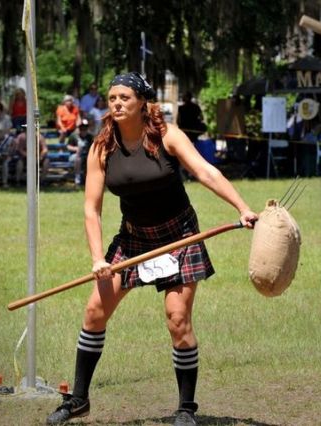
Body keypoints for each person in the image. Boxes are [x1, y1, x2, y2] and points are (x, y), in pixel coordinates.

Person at [46, 72, 258, 426]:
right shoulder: (101, 147)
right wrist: (98, 258)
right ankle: (79, 400)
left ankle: (186, 408)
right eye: (112, 98)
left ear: (143, 101)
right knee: (95, 312)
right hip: (133, 239)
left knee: (177, 319)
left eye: (124, 97)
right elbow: (91, 209)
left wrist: (243, 208)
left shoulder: (167, 136)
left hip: (178, 236)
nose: (117, 103)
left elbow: (206, 172)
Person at [66, 119, 94, 185]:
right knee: (78, 158)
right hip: (74, 155)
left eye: (85, 128)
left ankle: (90, 178)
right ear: (79, 128)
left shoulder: (90, 136)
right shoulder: (73, 136)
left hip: (86, 155)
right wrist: (76, 149)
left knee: (91, 159)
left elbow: (92, 147)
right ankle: (77, 178)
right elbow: (68, 146)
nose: (83, 129)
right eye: (82, 128)